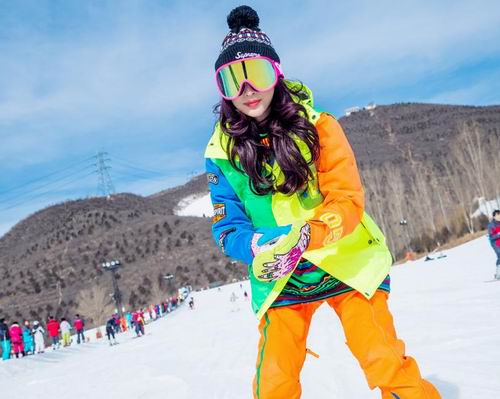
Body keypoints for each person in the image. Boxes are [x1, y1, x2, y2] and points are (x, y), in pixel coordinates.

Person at [205, 6, 441, 399]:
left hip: (344, 257)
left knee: (379, 353)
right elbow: (227, 225)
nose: (247, 90)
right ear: (222, 90)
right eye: (232, 80)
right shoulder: (220, 154)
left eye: (257, 74)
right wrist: (255, 245)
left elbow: (347, 199)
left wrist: (309, 234)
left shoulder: (320, 127)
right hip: (282, 274)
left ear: (276, 74)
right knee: (274, 381)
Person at [488, 209, 500, 279]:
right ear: (494, 216)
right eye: (498, 215)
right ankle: (498, 274)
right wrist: (498, 234)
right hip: (495, 243)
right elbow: (491, 236)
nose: (499, 216)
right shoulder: (491, 225)